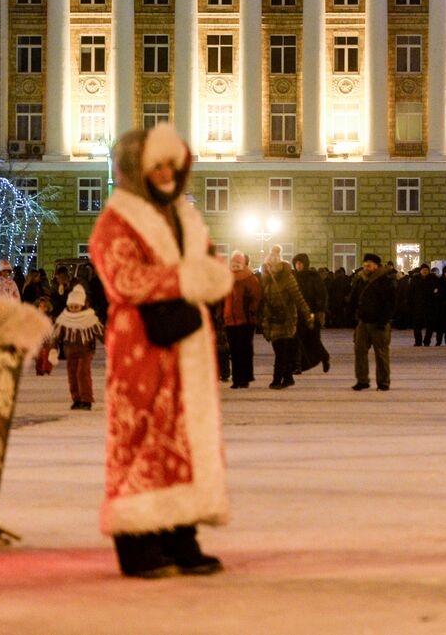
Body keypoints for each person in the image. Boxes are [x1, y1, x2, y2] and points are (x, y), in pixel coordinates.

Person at [88, 122, 233, 579]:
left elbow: (204, 259)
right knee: (140, 434)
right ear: (137, 169)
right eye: (158, 166)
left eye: (174, 164)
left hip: (188, 344)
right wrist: (187, 279)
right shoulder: (117, 219)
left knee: (184, 437)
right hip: (142, 346)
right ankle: (136, 541)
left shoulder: (184, 216)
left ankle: (180, 533)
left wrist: (206, 274)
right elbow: (122, 277)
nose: (168, 173)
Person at [259, 246, 311, 390]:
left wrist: (308, 314)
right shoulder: (266, 279)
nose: (271, 267)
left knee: (281, 351)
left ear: (279, 263)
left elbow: (298, 297)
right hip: (272, 319)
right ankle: (288, 378)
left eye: (274, 264)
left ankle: (277, 380)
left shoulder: (287, 277)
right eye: (269, 264)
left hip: (287, 319)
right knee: (280, 351)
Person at [49, 283, 103, 410]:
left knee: (82, 373)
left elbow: (101, 334)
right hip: (70, 352)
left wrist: (112, 345)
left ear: (82, 305)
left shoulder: (90, 318)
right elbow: (56, 336)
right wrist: (53, 348)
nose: (74, 308)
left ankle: (86, 399)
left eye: (76, 306)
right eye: (72, 306)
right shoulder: (63, 319)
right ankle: (77, 399)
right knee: (72, 375)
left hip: (86, 350)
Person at [350, 253, 395, 391]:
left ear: (376, 266)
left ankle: (383, 382)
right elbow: (354, 299)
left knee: (381, 353)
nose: (366, 267)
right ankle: (362, 380)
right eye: (364, 265)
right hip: (363, 322)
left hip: (379, 323)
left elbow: (391, 303)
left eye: (368, 265)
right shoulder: (360, 280)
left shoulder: (385, 281)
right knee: (359, 351)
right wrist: (354, 315)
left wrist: (384, 320)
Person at [223, 251, 263, 388]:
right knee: (234, 351)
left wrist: (251, 310)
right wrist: (221, 313)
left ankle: (244, 378)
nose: (234, 265)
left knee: (244, 350)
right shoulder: (226, 278)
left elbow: (256, 297)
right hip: (230, 320)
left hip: (246, 320)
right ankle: (236, 379)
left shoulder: (250, 279)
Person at [291, 253, 330, 373]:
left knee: (314, 340)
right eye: (296, 263)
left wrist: (319, 311)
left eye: (300, 263)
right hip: (297, 313)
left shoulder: (313, 277)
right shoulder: (292, 277)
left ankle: (324, 356)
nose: (298, 266)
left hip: (311, 314)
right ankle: (297, 366)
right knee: (296, 339)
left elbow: (321, 294)